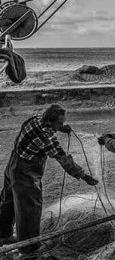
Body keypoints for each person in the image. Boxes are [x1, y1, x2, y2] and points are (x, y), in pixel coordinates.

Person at [0, 104, 98, 251]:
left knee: (7, 201)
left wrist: (61, 128)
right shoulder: (46, 136)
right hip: (25, 173)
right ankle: (30, 248)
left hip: (13, 164)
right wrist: (84, 176)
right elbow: (63, 159)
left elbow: (44, 131)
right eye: (59, 123)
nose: (61, 125)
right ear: (49, 122)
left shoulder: (36, 119)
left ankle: (4, 235)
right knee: (30, 207)